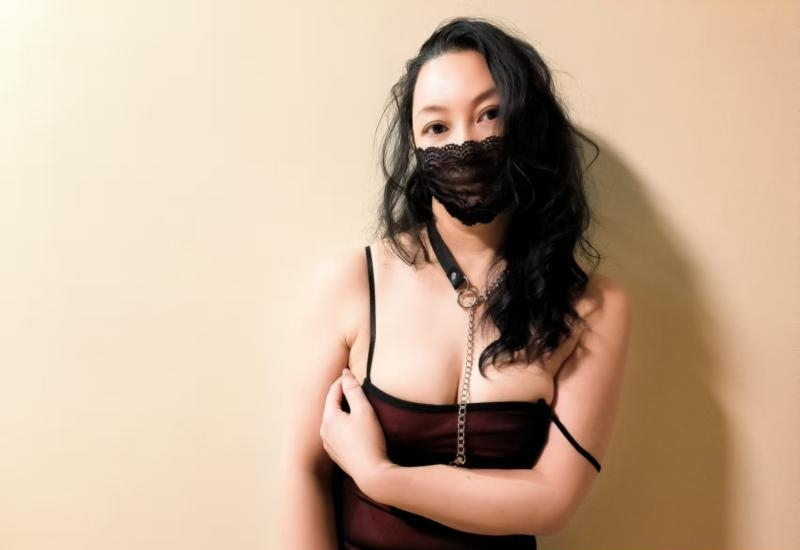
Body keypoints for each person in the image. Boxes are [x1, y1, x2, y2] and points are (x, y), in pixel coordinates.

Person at [280, 16, 632, 549]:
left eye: (489, 114)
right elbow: (302, 471)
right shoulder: (352, 282)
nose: (465, 142)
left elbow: (553, 501)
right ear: (413, 144)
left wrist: (381, 477)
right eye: (437, 127)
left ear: (528, 124)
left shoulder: (593, 306)